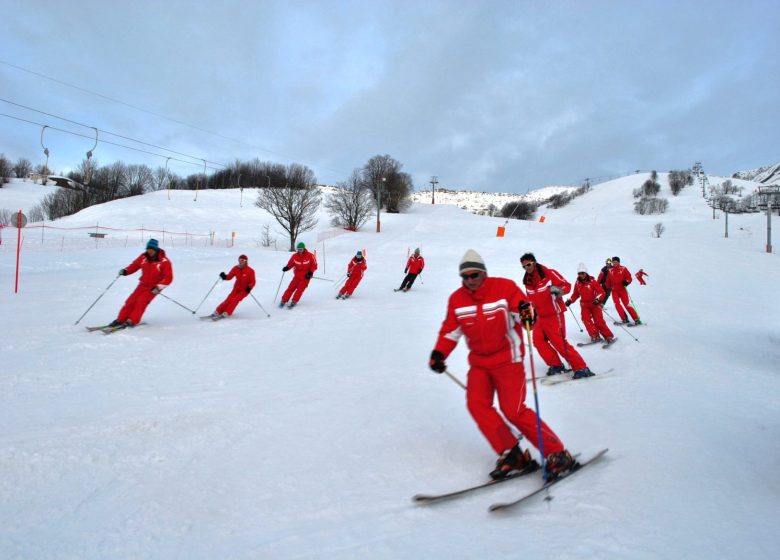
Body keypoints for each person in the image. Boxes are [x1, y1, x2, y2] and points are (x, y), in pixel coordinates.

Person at [428, 249, 576, 481]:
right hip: (479, 364)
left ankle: (557, 454)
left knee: (513, 410)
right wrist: (439, 352)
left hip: (509, 359)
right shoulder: (457, 299)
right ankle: (512, 454)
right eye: (465, 277)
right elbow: (450, 331)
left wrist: (528, 313)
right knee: (477, 405)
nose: (469, 280)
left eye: (474, 275)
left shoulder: (504, 288)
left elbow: (523, 309)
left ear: (483, 273)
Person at [520, 253, 593, 379]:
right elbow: (530, 300)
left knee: (559, 342)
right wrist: (527, 312)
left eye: (529, 264)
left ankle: (581, 367)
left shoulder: (549, 273)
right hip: (539, 317)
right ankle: (556, 365)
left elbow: (567, 285)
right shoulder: (527, 281)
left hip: (553, 314)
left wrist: (559, 291)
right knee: (538, 341)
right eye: (524, 266)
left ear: (534, 262)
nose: (527, 268)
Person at [109, 238, 173, 327]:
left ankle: (132, 320)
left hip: (153, 288)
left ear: (156, 250)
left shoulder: (164, 261)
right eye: (148, 249)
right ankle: (121, 319)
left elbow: (168, 278)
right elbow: (134, 265)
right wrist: (126, 271)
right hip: (142, 285)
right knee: (130, 301)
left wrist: (158, 287)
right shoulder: (143, 257)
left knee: (141, 301)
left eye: (152, 249)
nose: (149, 251)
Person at [565, 263, 615, 344]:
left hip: (595, 304)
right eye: (579, 273)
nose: (581, 275)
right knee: (586, 320)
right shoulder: (578, 283)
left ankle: (608, 336)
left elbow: (602, 292)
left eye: (583, 273)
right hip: (585, 305)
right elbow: (576, 294)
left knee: (599, 321)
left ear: (586, 273)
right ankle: (594, 335)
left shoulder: (592, 281)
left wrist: (597, 299)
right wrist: (570, 300)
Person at [279, 242, 318, 308]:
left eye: (301, 249)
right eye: (298, 249)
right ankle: (284, 300)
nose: (299, 251)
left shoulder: (310, 255)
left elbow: (314, 265)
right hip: (297, 275)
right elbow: (291, 264)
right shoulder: (294, 256)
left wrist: (310, 272)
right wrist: (287, 268)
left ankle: (294, 301)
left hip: (306, 276)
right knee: (291, 287)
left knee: (300, 289)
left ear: (304, 249)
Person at [605, 256, 641, 324]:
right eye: (613, 262)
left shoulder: (623, 269)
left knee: (626, 304)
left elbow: (629, 277)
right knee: (617, 304)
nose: (614, 263)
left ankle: (636, 318)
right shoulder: (610, 271)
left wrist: (627, 281)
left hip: (622, 289)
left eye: (616, 262)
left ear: (618, 262)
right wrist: (607, 286)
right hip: (614, 291)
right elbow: (608, 280)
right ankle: (624, 318)